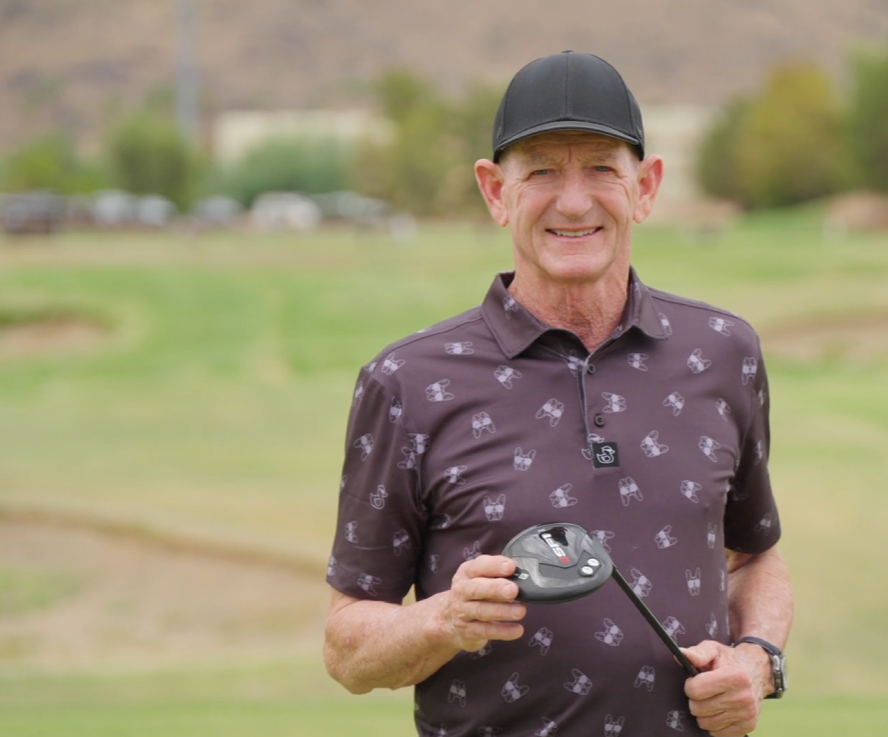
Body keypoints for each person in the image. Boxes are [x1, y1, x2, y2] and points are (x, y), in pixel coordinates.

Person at [323, 51, 793, 737]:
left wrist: (757, 661)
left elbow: (755, 556)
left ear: (647, 186)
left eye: (602, 168)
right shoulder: (408, 382)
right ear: (494, 190)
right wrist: (444, 619)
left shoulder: (722, 351)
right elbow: (346, 647)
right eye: (541, 170)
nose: (573, 201)